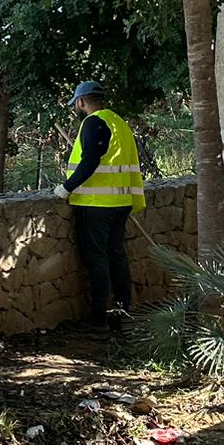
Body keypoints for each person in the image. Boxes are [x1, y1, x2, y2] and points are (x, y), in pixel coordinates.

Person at [54, 81, 146, 333]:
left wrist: (67, 187)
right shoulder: (120, 123)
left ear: (81, 101)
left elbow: (91, 160)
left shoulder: (93, 123)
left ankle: (99, 320)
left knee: (97, 259)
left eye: (76, 104)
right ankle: (121, 314)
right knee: (116, 256)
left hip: (96, 204)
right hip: (122, 201)